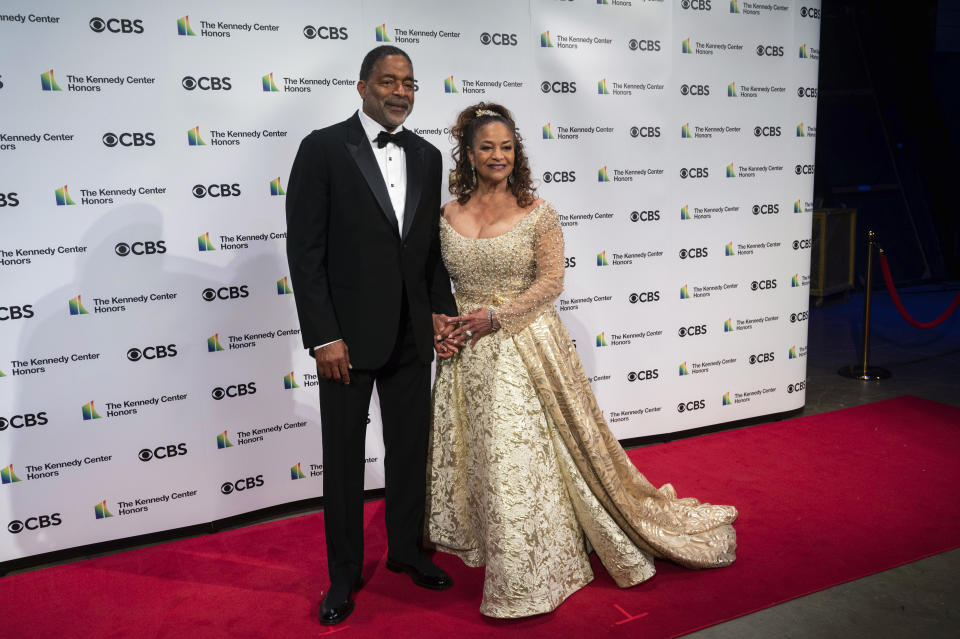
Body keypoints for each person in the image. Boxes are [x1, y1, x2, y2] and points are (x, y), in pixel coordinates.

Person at [426, 103, 739, 619]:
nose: (498, 155)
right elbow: (437, 281)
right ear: (469, 153)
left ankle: (529, 575)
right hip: (466, 354)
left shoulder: (538, 212)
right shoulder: (447, 214)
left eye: (507, 146)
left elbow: (552, 282)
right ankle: (497, 546)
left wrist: (496, 317)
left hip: (524, 345)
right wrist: (444, 325)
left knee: (515, 456)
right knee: (481, 454)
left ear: (516, 151)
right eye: (487, 147)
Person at [285, 45, 460, 626]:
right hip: (346, 342)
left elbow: (428, 251)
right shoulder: (323, 148)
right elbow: (305, 252)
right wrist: (323, 336)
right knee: (343, 460)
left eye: (410, 84)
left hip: (412, 334)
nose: (400, 93)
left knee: (411, 450)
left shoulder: (429, 155)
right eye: (389, 81)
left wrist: (439, 313)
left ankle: (408, 551)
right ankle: (342, 575)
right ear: (362, 86)